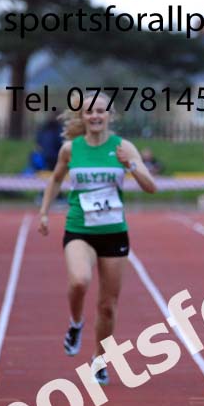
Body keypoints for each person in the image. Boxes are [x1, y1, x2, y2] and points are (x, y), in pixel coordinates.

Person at [37, 94, 157, 385]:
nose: (95, 116)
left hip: (113, 232)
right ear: (82, 116)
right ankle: (76, 324)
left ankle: (100, 361)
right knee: (79, 280)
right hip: (79, 228)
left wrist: (131, 165)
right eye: (89, 112)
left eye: (100, 112)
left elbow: (151, 187)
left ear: (109, 115)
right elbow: (55, 179)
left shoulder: (122, 147)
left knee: (107, 305)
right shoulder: (70, 149)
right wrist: (43, 212)